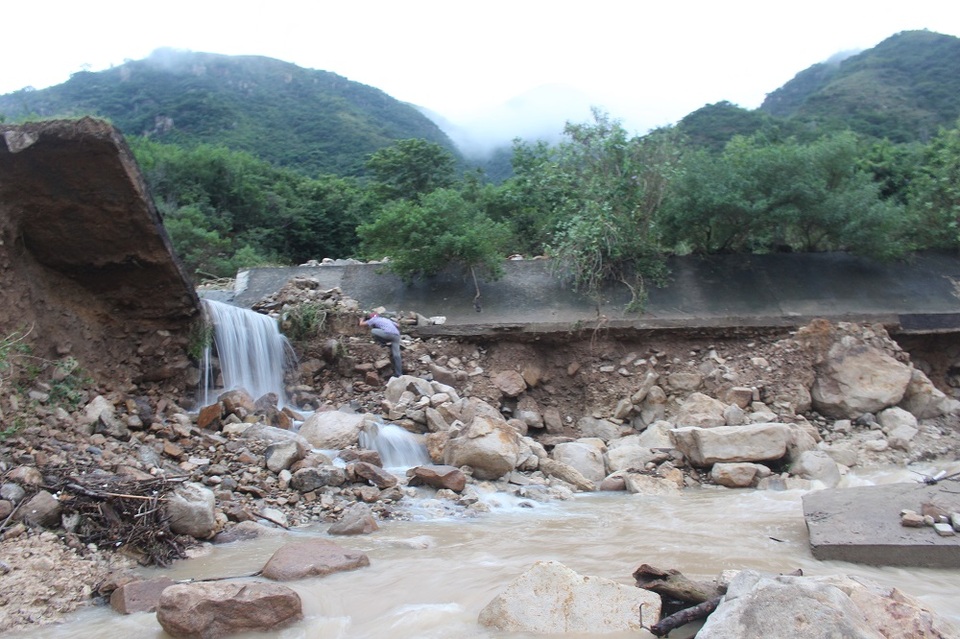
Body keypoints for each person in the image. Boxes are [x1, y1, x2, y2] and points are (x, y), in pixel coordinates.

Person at [359, 311, 403, 378]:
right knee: (397, 355)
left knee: (373, 331)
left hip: (388, 334)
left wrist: (361, 319)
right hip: (396, 335)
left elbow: (361, 324)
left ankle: (383, 343)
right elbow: (398, 325)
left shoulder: (373, 319)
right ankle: (399, 374)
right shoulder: (386, 319)